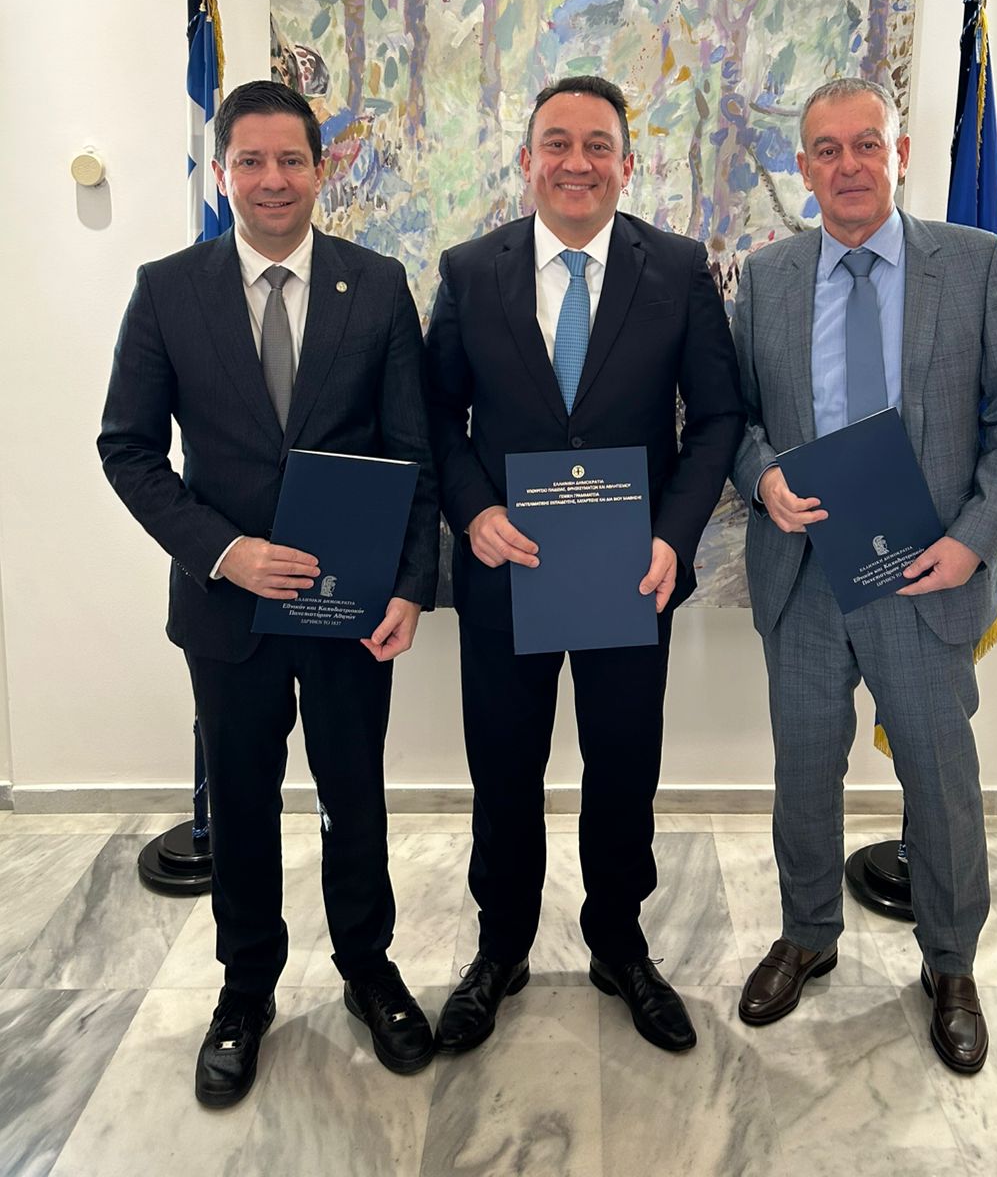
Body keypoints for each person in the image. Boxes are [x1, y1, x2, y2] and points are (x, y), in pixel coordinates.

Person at [98, 80, 440, 1107]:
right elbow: (127, 448)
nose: (273, 179)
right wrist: (224, 551)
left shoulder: (376, 285)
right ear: (223, 174)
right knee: (241, 805)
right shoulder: (168, 290)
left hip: (349, 610)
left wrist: (411, 586)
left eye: (291, 159)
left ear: (320, 169)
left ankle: (368, 970)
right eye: (250, 161)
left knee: (354, 796)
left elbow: (414, 450)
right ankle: (245, 990)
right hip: (226, 612)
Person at [731, 77, 997, 1074]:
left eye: (866, 144)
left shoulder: (973, 263)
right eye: (826, 150)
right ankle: (807, 933)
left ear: (899, 153)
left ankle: (951, 964)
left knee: (939, 777)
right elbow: (734, 419)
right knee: (803, 771)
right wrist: (763, 477)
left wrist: (976, 539)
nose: (849, 166)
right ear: (803, 168)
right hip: (805, 575)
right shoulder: (767, 277)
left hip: (926, 573)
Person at [425, 74, 743, 1055]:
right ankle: (500, 947)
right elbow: (434, 415)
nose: (576, 162)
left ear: (626, 164)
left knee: (623, 767)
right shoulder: (470, 271)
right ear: (527, 161)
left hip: (630, 574)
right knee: (503, 769)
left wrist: (673, 533)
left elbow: (719, 416)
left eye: (597, 144)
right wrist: (472, 510)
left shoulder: (678, 268)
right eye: (556, 143)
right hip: (506, 573)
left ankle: (620, 943)